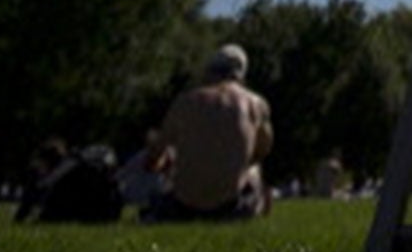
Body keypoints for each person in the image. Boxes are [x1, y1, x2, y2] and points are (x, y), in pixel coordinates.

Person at [146, 44, 273, 221]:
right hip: (230, 206)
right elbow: (262, 151)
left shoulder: (185, 101)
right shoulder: (255, 104)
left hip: (183, 206)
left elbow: (154, 156)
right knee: (254, 169)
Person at [14, 138, 123, 223]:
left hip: (92, 213)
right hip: (110, 212)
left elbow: (36, 194)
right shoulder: (83, 158)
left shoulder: (60, 173)